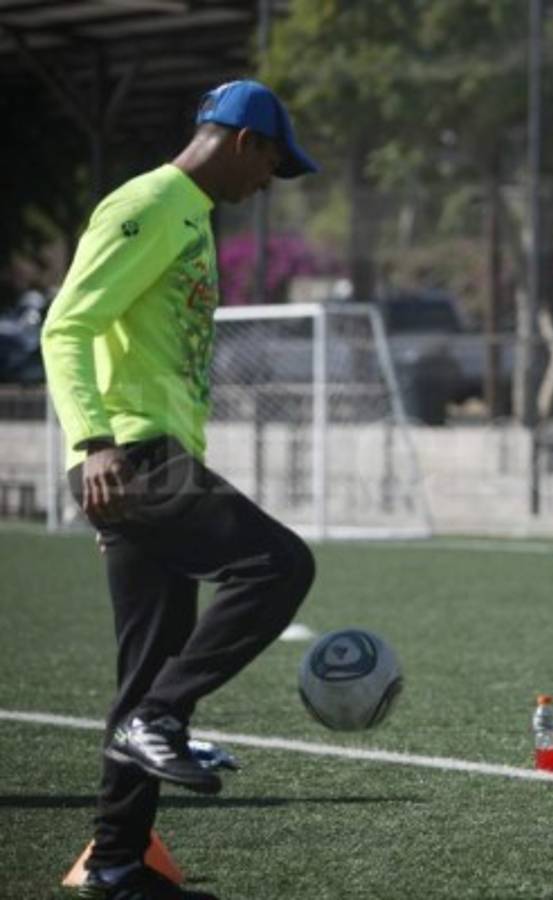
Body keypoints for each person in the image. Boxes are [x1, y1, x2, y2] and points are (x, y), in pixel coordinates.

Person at [42, 80, 320, 899]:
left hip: (145, 460)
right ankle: (159, 720)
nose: (267, 184)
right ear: (243, 141)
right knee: (279, 565)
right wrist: (94, 445)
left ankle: (116, 862)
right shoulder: (150, 203)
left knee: (148, 663)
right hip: (129, 453)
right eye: (271, 164)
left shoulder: (191, 217)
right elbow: (66, 324)